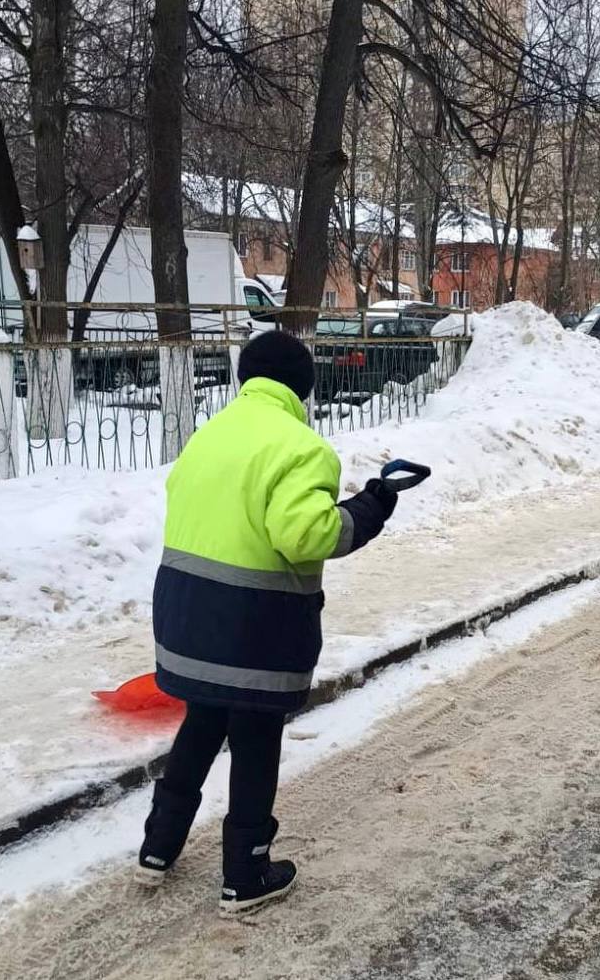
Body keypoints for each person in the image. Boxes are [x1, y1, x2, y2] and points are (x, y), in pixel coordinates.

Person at [135, 330, 398, 915]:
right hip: (254, 628)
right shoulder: (302, 448)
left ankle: (158, 848)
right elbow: (306, 535)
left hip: (185, 618)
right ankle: (246, 873)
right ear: (303, 387)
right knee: (255, 739)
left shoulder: (209, 436)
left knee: (202, 723)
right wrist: (371, 507)